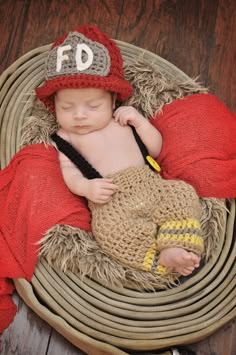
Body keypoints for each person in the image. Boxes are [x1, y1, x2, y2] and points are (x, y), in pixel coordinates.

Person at [36, 25, 204, 277]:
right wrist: (86, 188)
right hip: (111, 201)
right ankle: (161, 255)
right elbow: (69, 171)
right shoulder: (65, 137)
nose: (79, 115)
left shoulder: (122, 120)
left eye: (93, 106)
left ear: (113, 100)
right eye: (67, 108)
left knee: (182, 194)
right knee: (109, 232)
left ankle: (176, 244)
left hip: (150, 185)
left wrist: (141, 122)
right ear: (54, 106)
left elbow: (155, 149)